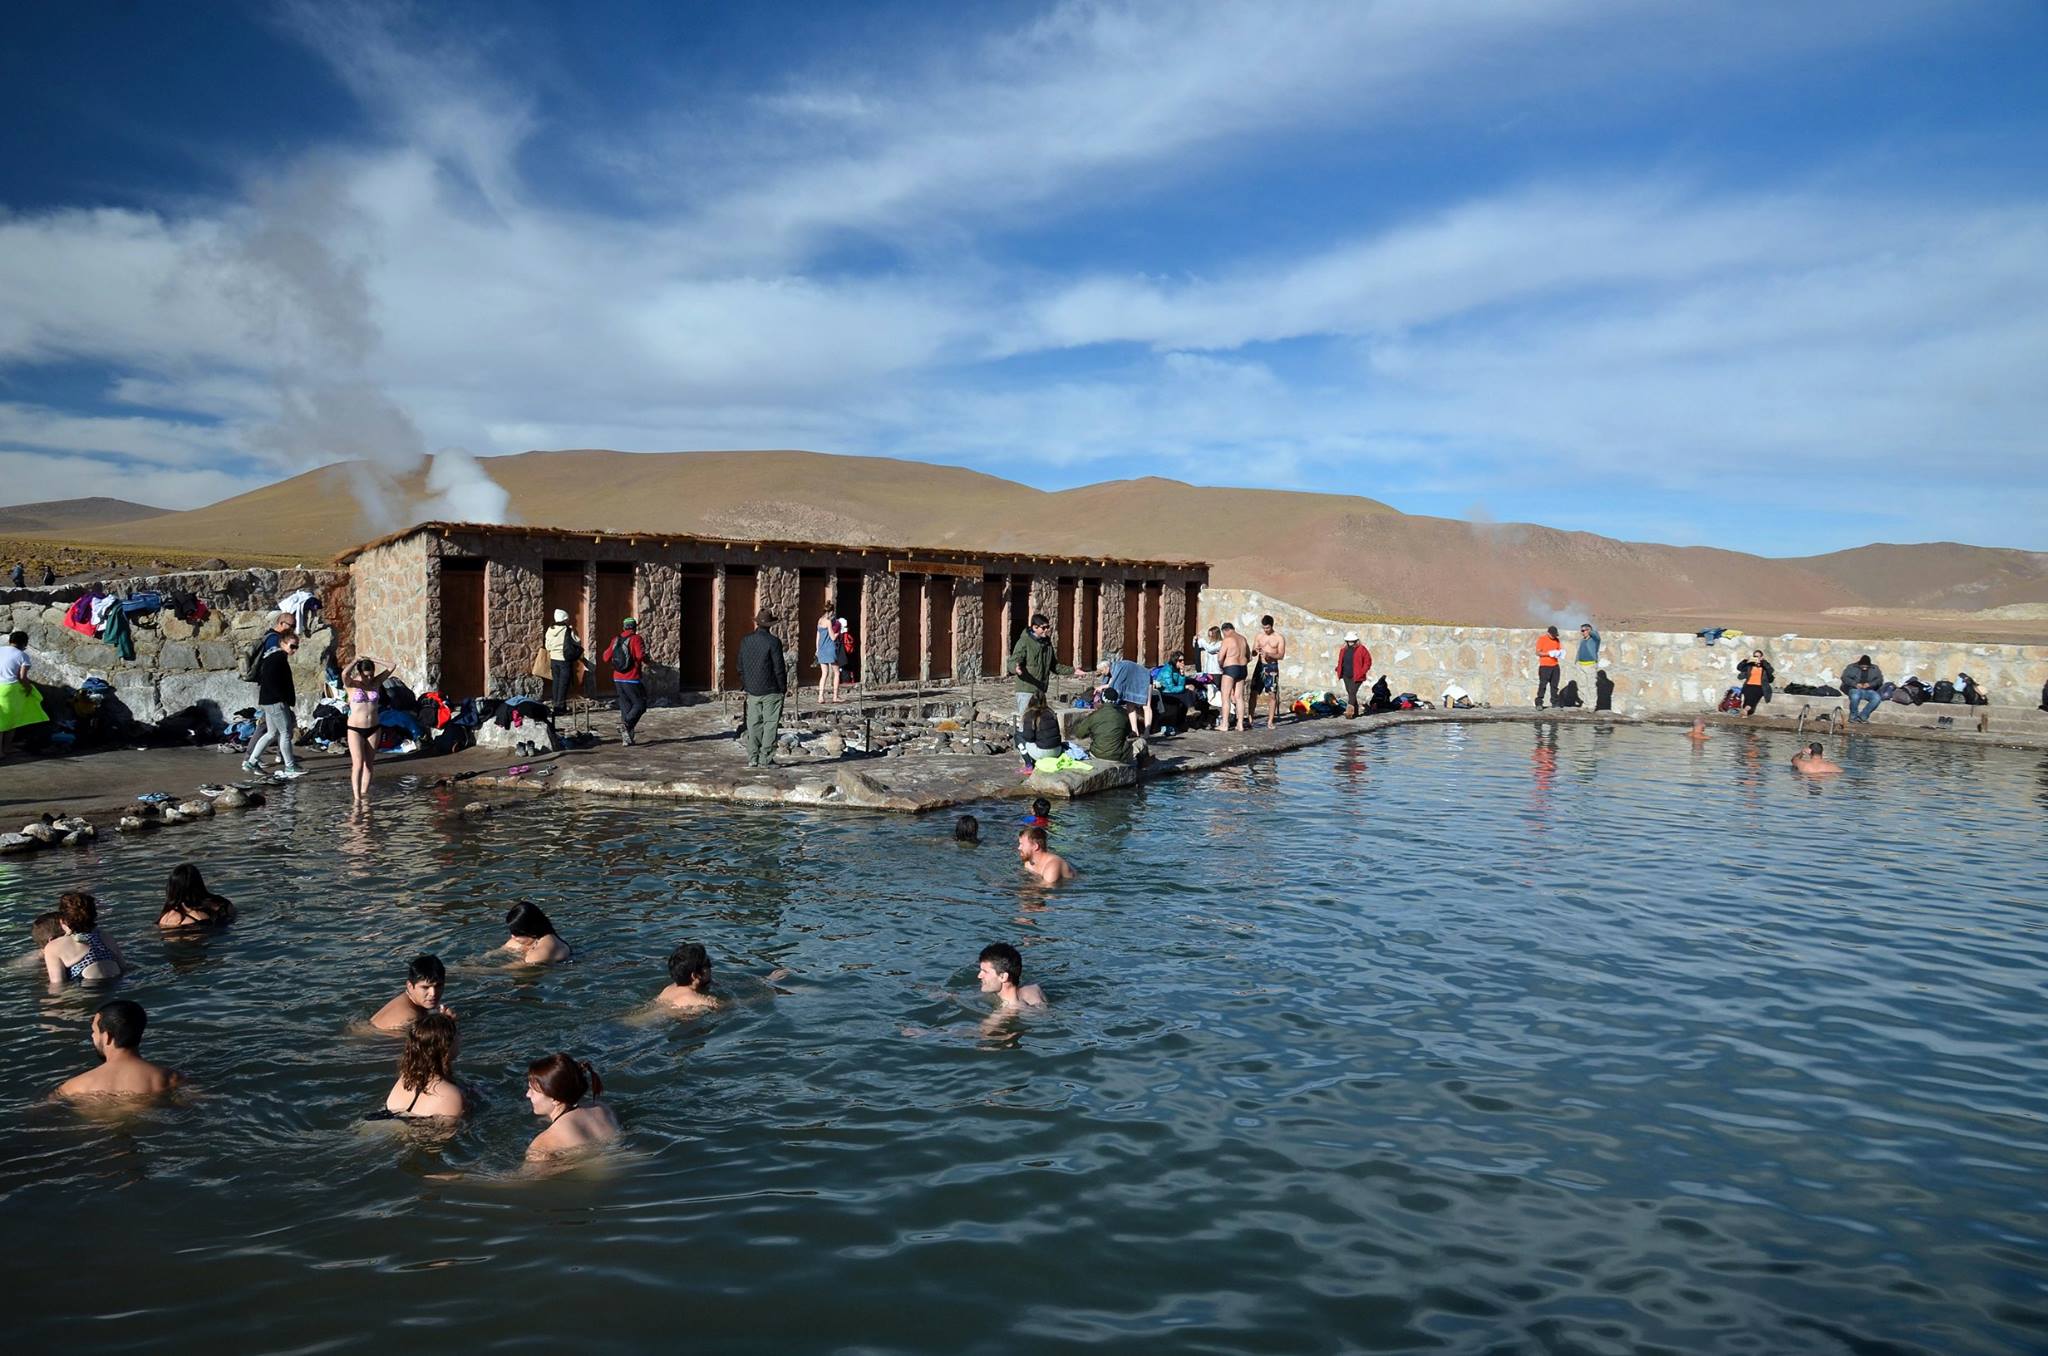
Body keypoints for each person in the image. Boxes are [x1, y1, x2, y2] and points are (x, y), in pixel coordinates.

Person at [54, 1000, 179, 1100]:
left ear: (108, 1037)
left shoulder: (73, 1088)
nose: (92, 1036)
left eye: (94, 1031)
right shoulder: (170, 1079)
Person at [524, 1053, 620, 1159]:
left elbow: (527, 1175)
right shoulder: (603, 1109)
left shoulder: (543, 1144)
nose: (527, 1094)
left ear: (555, 1099)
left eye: (533, 1090)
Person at [375, 1010, 465, 1119]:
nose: (461, 1037)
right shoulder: (451, 1095)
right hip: (414, 1132)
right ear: (445, 1046)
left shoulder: (405, 1079)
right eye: (457, 1034)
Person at [244, 631, 304, 779]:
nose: (294, 650)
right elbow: (271, 682)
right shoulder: (278, 658)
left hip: (268, 701)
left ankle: (251, 762)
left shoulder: (274, 656)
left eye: (297, 647)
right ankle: (290, 766)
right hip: (275, 702)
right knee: (285, 733)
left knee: (271, 733)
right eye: (292, 646)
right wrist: (282, 699)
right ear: (282, 643)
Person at [738, 608, 787, 768]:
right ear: (770, 625)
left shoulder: (746, 640)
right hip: (771, 689)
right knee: (770, 724)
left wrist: (746, 683)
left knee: (753, 724)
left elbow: (740, 665)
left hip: (752, 690)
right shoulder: (773, 642)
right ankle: (765, 758)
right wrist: (782, 687)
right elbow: (778, 668)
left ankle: (753, 757)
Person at [43, 892, 126, 985]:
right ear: (94, 916)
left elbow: (57, 985)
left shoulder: (53, 947)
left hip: (86, 990)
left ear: (62, 921)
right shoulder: (106, 936)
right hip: (115, 985)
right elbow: (124, 969)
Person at [343, 657, 393, 806]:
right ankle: (357, 798)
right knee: (358, 764)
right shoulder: (352, 684)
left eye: (371, 674)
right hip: (355, 729)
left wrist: (374, 659)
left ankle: (364, 795)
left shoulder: (376, 682)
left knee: (369, 764)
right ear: (360, 672)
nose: (369, 678)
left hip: (374, 727)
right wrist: (355, 661)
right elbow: (344, 674)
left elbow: (392, 665)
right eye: (366, 675)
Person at [0, 629, 48, 761]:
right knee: (10, 721)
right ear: (24, 644)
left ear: (10, 641)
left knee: (1, 719)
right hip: (10, 689)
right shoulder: (22, 655)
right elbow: (22, 677)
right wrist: (29, 689)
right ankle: (5, 749)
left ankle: (4, 749)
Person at [371, 954, 451, 1032]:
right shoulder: (410, 1020)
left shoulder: (409, 1000)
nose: (433, 993)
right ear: (410, 986)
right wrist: (448, 1023)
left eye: (438, 986)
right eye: (425, 987)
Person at [1008, 613, 1059, 723]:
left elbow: (1054, 666)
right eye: (1043, 628)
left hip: (1041, 690)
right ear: (1034, 627)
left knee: (1039, 722)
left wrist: (1074, 670)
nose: (1046, 630)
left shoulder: (1047, 644)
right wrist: (1015, 668)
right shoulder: (1024, 642)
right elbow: (1013, 661)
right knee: (1026, 722)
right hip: (1026, 690)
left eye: (1048, 627)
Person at [606, 618, 648, 746]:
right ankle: (626, 724)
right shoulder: (636, 638)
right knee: (640, 704)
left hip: (618, 678)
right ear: (634, 627)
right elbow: (640, 656)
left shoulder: (616, 639)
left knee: (625, 706)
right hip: (632, 678)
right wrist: (647, 660)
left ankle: (627, 739)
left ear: (624, 627)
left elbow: (605, 657)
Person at [158, 863, 236, 930]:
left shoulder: (165, 918)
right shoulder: (223, 904)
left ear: (171, 888)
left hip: (186, 929)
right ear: (199, 883)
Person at [977, 943, 1047, 1010]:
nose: (979, 976)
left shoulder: (1008, 1010)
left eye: (985, 971)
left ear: (1003, 977)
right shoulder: (1032, 988)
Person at [1099, 656, 1154, 736]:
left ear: (1106, 667)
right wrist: (1102, 687)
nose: (1101, 673)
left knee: (1146, 706)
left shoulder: (1117, 668)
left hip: (1144, 679)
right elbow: (1113, 683)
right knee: (1130, 706)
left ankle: (1147, 731)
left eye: (1102, 670)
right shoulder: (1113, 670)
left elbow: (1115, 684)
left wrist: (1103, 688)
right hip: (1132, 682)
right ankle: (1134, 731)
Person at [656, 943, 719, 1012]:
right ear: (694, 975)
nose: (711, 968)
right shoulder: (699, 1001)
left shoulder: (668, 989)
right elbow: (726, 1008)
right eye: (708, 964)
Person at [1071, 695, 1135, 763]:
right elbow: (1128, 732)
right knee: (1142, 742)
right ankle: (1141, 769)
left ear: (1102, 700)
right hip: (1117, 756)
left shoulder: (1095, 715)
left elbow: (1079, 734)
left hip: (1096, 754)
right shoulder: (1123, 715)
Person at [502, 901, 572, 963]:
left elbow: (512, 969)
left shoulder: (540, 953)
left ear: (530, 931)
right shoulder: (533, 938)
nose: (513, 936)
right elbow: (501, 950)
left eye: (517, 933)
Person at [1251, 615, 1287, 729]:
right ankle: (1250, 719)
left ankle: (1270, 721)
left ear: (1272, 626)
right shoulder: (1259, 636)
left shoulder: (1279, 638)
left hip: (1272, 667)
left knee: (1272, 694)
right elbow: (1253, 652)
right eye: (1264, 628)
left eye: (1267, 628)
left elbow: (1281, 655)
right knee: (1253, 692)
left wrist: (1268, 654)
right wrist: (1255, 651)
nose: (1265, 630)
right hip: (1260, 666)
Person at [543, 608, 581, 713]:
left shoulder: (550, 629)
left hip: (553, 659)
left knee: (556, 682)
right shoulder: (567, 630)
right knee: (564, 684)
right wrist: (573, 631)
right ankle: (559, 708)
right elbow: (578, 641)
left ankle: (557, 704)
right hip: (564, 659)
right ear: (565, 619)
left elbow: (547, 645)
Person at [1216, 622, 1251, 731]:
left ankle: (1224, 724)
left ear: (1225, 630)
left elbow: (1220, 657)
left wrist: (1221, 665)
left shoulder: (1227, 639)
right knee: (1239, 697)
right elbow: (1249, 657)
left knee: (1225, 696)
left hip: (1231, 668)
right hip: (1242, 668)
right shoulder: (1243, 639)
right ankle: (1240, 724)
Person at [1018, 693, 1063, 767]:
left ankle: (1028, 765)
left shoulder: (1030, 714)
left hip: (1043, 753)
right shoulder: (1051, 712)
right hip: (1057, 750)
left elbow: (1028, 738)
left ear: (1031, 701)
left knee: (1018, 737)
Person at [1335, 633, 1373, 718]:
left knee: (1352, 692)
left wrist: (1362, 671)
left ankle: (1349, 712)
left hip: (1357, 676)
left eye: (1352, 641)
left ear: (1356, 641)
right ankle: (1355, 712)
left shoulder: (1362, 649)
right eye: (1349, 641)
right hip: (1346, 674)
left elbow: (1368, 661)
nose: (1350, 642)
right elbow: (1341, 661)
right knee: (1351, 693)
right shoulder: (1343, 649)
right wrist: (1338, 668)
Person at [1841, 654, 1884, 723]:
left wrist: (1870, 684)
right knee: (1855, 697)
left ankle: (1863, 716)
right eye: (1863, 666)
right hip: (1854, 689)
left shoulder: (1875, 668)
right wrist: (1855, 684)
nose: (1864, 668)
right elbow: (1845, 678)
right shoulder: (1851, 667)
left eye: (1866, 667)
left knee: (1877, 698)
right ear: (1859, 664)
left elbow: (1880, 680)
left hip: (1869, 690)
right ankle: (1853, 717)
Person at [815, 604, 842, 704]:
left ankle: (820, 697)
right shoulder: (828, 622)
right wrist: (839, 632)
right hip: (830, 649)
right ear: (831, 612)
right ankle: (835, 696)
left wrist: (817, 649)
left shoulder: (820, 621)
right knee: (837, 672)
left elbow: (817, 636)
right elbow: (833, 637)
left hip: (821, 649)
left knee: (824, 674)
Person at [1736, 650, 1774, 716]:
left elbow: (1771, 670)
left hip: (1760, 686)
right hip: (1748, 685)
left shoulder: (1764, 666)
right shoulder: (1750, 665)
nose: (1756, 658)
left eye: (1758, 656)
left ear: (1761, 657)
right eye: (1755, 656)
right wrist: (1745, 660)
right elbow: (1739, 668)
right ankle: (1746, 710)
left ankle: (1746, 710)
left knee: (1753, 697)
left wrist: (1763, 662)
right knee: (1747, 698)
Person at [1534, 626, 1562, 708]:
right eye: (1552, 635)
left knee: (1554, 685)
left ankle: (1555, 702)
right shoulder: (1542, 639)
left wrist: (1559, 653)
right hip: (1545, 666)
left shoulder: (1557, 640)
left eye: (1555, 635)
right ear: (1548, 633)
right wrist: (1549, 654)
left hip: (1555, 665)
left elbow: (1559, 650)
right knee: (1543, 685)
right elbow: (1538, 652)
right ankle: (1539, 702)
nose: (1554, 636)